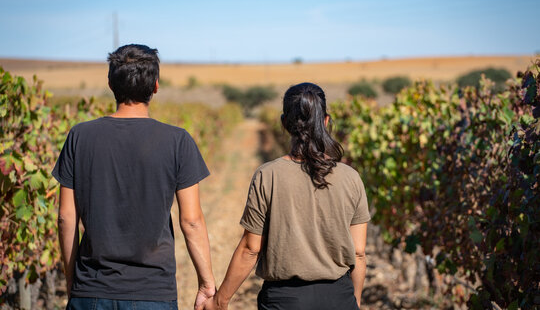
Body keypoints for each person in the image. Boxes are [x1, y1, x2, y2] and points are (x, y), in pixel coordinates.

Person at [53, 44, 216, 310]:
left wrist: (73, 282)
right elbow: (192, 221)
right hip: (153, 292)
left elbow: (65, 217)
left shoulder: (79, 137)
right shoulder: (177, 141)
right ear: (155, 86)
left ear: (110, 83)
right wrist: (207, 285)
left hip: (91, 290)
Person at [204, 82, 370, 310]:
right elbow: (359, 254)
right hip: (338, 297)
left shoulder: (267, 175)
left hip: (284, 300)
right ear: (326, 121)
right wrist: (355, 301)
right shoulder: (351, 178)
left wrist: (219, 301)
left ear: (284, 124)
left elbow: (251, 248)